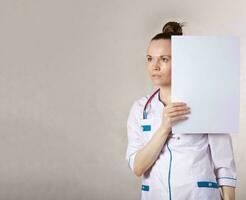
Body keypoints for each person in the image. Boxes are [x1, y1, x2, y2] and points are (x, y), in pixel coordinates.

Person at [125, 21, 236, 200]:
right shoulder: (140, 109)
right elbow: (138, 167)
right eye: (150, 58)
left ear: (182, 62)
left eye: (164, 59)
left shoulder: (207, 103)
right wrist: (164, 127)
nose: (154, 66)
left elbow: (224, 164)